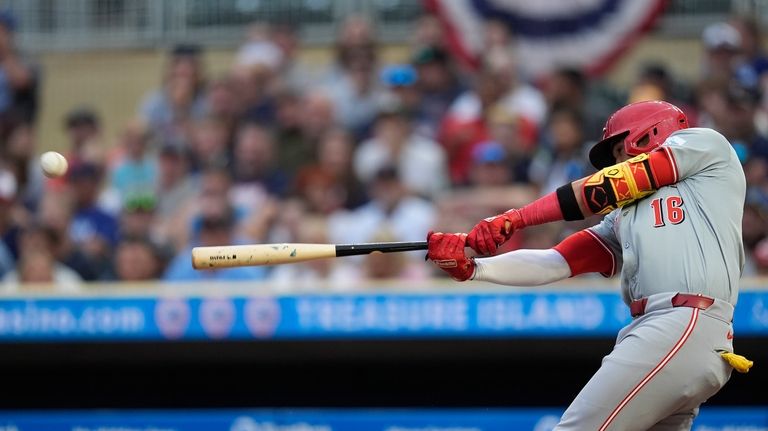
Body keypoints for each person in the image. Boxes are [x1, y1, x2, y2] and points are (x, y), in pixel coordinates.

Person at [426, 100, 751, 429]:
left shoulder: (706, 146)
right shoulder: (624, 217)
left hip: (682, 321)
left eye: (617, 149)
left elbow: (611, 184)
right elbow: (557, 261)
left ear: (646, 134)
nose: (615, 161)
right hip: (671, 331)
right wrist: (476, 267)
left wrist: (513, 219)